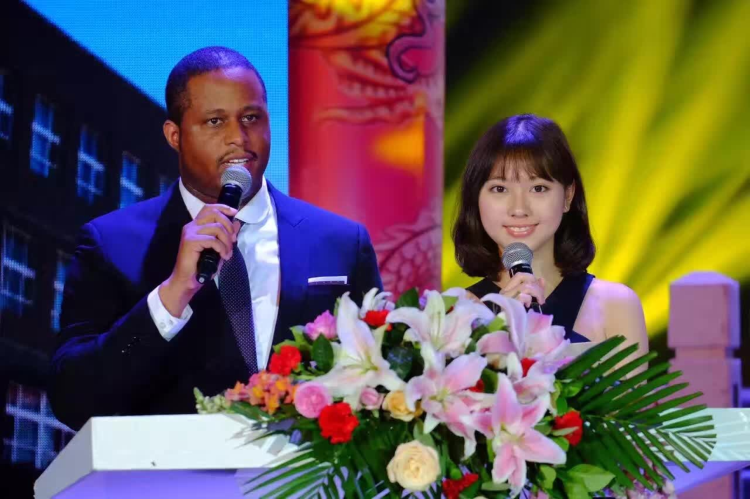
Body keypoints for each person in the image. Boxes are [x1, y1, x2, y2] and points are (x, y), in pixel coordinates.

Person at [49, 47, 382, 431]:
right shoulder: (111, 244)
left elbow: (380, 386)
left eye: (251, 118)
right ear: (175, 135)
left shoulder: (341, 243)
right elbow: (73, 399)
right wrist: (172, 295)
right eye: (215, 121)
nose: (238, 138)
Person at [453, 114, 648, 356]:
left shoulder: (616, 305)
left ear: (567, 196)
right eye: (500, 188)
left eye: (538, 188)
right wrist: (494, 331)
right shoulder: (455, 314)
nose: (519, 209)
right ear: (476, 198)